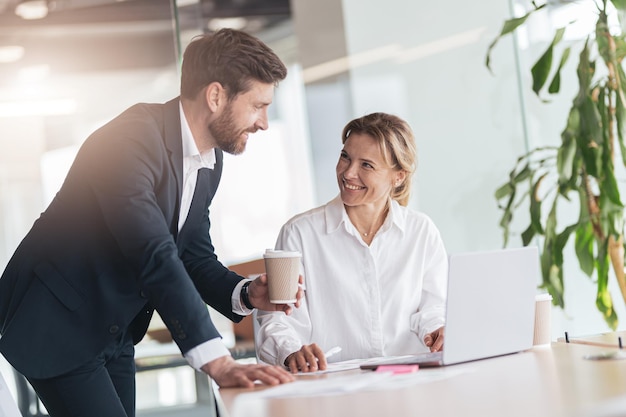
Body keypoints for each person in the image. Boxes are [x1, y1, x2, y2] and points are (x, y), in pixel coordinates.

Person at [0, 28, 300, 417]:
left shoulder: (209, 160)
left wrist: (245, 293)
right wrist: (217, 361)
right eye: (258, 105)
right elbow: (153, 252)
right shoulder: (129, 141)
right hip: (57, 322)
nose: (264, 123)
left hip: (113, 330)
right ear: (215, 96)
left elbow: (191, 253)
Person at [256, 112, 448, 373]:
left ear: (398, 176)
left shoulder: (421, 231)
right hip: (333, 385)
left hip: (409, 381)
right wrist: (291, 351)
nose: (348, 173)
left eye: (366, 165)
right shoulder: (300, 234)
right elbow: (276, 318)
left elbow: (433, 307)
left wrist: (438, 330)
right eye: (345, 157)